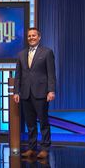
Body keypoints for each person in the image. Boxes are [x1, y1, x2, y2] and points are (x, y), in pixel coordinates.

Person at [13, 27, 56, 159]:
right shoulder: (21, 54)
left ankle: (44, 148)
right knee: (30, 123)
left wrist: (51, 90)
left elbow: (51, 73)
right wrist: (16, 92)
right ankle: (31, 148)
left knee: (43, 122)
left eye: (34, 35)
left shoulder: (47, 52)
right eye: (29, 36)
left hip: (41, 93)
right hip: (25, 93)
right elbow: (18, 75)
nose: (31, 38)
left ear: (39, 37)